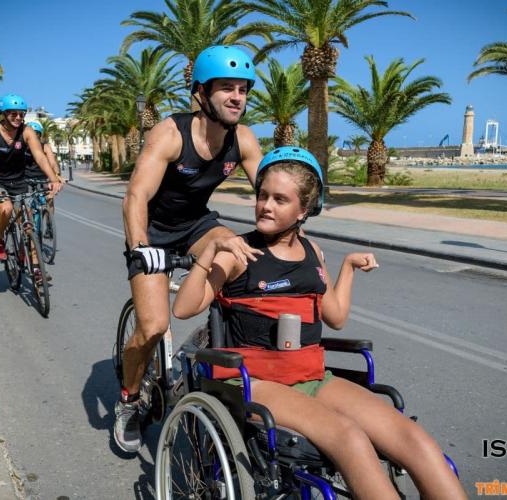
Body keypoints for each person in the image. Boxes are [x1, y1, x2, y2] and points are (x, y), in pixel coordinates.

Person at [172, 147, 468, 500]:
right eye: (263, 195)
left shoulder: (313, 251)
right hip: (256, 381)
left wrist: (348, 268)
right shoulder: (238, 252)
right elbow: (184, 308)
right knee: (350, 437)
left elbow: (335, 317)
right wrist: (210, 252)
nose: (266, 206)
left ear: (304, 209)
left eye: (280, 199)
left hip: (311, 376)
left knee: (413, 438)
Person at [115, 45, 264, 453]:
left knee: (241, 256)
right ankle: (128, 400)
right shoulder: (170, 133)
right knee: (152, 327)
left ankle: (212, 341)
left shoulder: (243, 138)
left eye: (243, 89)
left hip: (198, 225)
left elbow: (270, 187)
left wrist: (301, 204)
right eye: (226, 88)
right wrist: (141, 248)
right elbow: (136, 196)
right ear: (201, 93)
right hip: (154, 231)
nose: (237, 97)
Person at [0, 94, 62, 283]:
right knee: (6, 209)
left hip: (20, 181)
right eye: (13, 114)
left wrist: (53, 179)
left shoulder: (26, 131)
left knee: (28, 226)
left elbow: (40, 156)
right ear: (4, 114)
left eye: (21, 114)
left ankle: (37, 269)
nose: (18, 118)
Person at [25, 121, 62, 216]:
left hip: (42, 178)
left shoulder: (45, 147)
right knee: (27, 204)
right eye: (32, 134)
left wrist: (57, 175)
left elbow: (53, 163)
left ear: (40, 135)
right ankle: (29, 224)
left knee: (49, 200)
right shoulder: (21, 147)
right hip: (26, 179)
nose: (34, 136)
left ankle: (50, 221)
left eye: (36, 134)